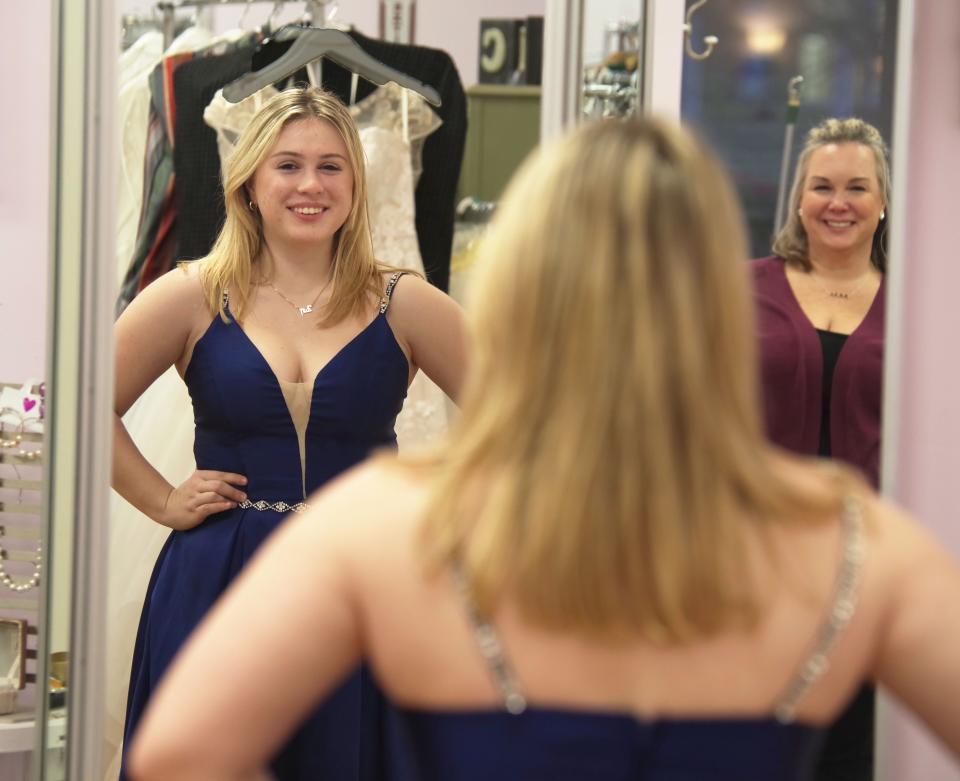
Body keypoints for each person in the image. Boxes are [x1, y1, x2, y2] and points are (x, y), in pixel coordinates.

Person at [128, 118, 960, 781]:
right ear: (726, 294)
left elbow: (180, 754)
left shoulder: (381, 528)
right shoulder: (853, 545)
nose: (310, 186)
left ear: (518, 293)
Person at [112, 86, 467, 779]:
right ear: (248, 182)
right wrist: (160, 500)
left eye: (332, 166)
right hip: (218, 575)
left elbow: (524, 422)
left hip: (363, 581)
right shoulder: (193, 294)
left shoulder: (405, 301)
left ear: (357, 186)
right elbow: (77, 405)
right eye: (289, 165)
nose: (311, 184)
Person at [751, 118, 889, 780]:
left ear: (883, 200)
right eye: (823, 186)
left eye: (858, 187)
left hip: (872, 561)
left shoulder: (922, 304)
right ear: (799, 199)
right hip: (757, 553)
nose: (839, 202)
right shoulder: (741, 289)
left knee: (851, 745)